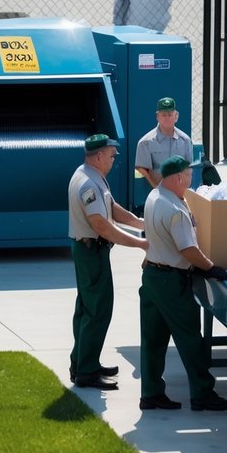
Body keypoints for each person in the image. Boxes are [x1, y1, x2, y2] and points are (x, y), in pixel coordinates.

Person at [138, 155, 227, 412]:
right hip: (171, 281)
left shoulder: (154, 197)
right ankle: (203, 393)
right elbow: (188, 250)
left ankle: (150, 393)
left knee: (153, 340)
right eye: (189, 174)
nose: (191, 178)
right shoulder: (176, 209)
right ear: (179, 177)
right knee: (190, 338)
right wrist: (210, 267)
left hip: (151, 276)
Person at [67, 134, 148, 390]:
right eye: (112, 156)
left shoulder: (92, 176)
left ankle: (81, 362)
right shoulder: (87, 184)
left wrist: (141, 224)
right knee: (97, 310)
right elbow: (102, 226)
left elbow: (111, 208)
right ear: (99, 155)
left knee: (86, 308)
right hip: (92, 251)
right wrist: (140, 243)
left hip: (90, 250)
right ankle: (87, 372)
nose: (114, 160)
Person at [134, 97, 194, 189]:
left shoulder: (185, 140)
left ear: (176, 116)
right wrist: (157, 190)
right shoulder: (145, 143)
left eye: (170, 115)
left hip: (179, 192)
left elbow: (189, 168)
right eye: (163, 115)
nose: (167, 118)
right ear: (158, 116)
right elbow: (142, 170)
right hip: (155, 192)